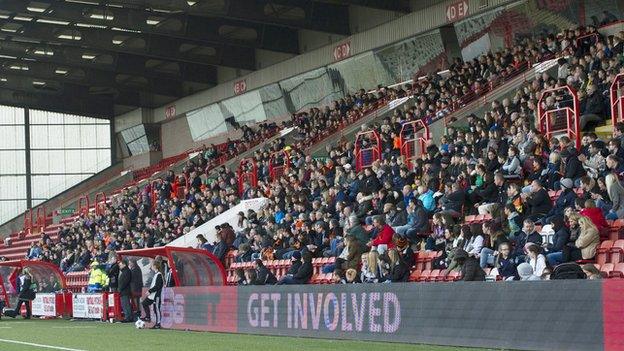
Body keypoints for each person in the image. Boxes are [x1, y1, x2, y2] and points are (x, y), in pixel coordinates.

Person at [140, 260, 164, 329]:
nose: (151, 266)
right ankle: (148, 317)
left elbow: (158, 286)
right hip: (152, 295)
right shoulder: (156, 274)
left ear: (155, 266)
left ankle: (158, 323)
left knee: (156, 309)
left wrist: (150, 291)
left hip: (156, 295)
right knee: (144, 303)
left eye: (152, 265)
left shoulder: (159, 274)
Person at [118, 258, 134, 322]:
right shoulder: (125, 271)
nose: (119, 266)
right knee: (124, 304)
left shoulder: (127, 271)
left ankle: (128, 317)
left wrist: (120, 288)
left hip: (125, 291)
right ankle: (127, 317)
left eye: (120, 265)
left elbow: (125, 282)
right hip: (123, 291)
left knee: (126, 304)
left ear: (124, 265)